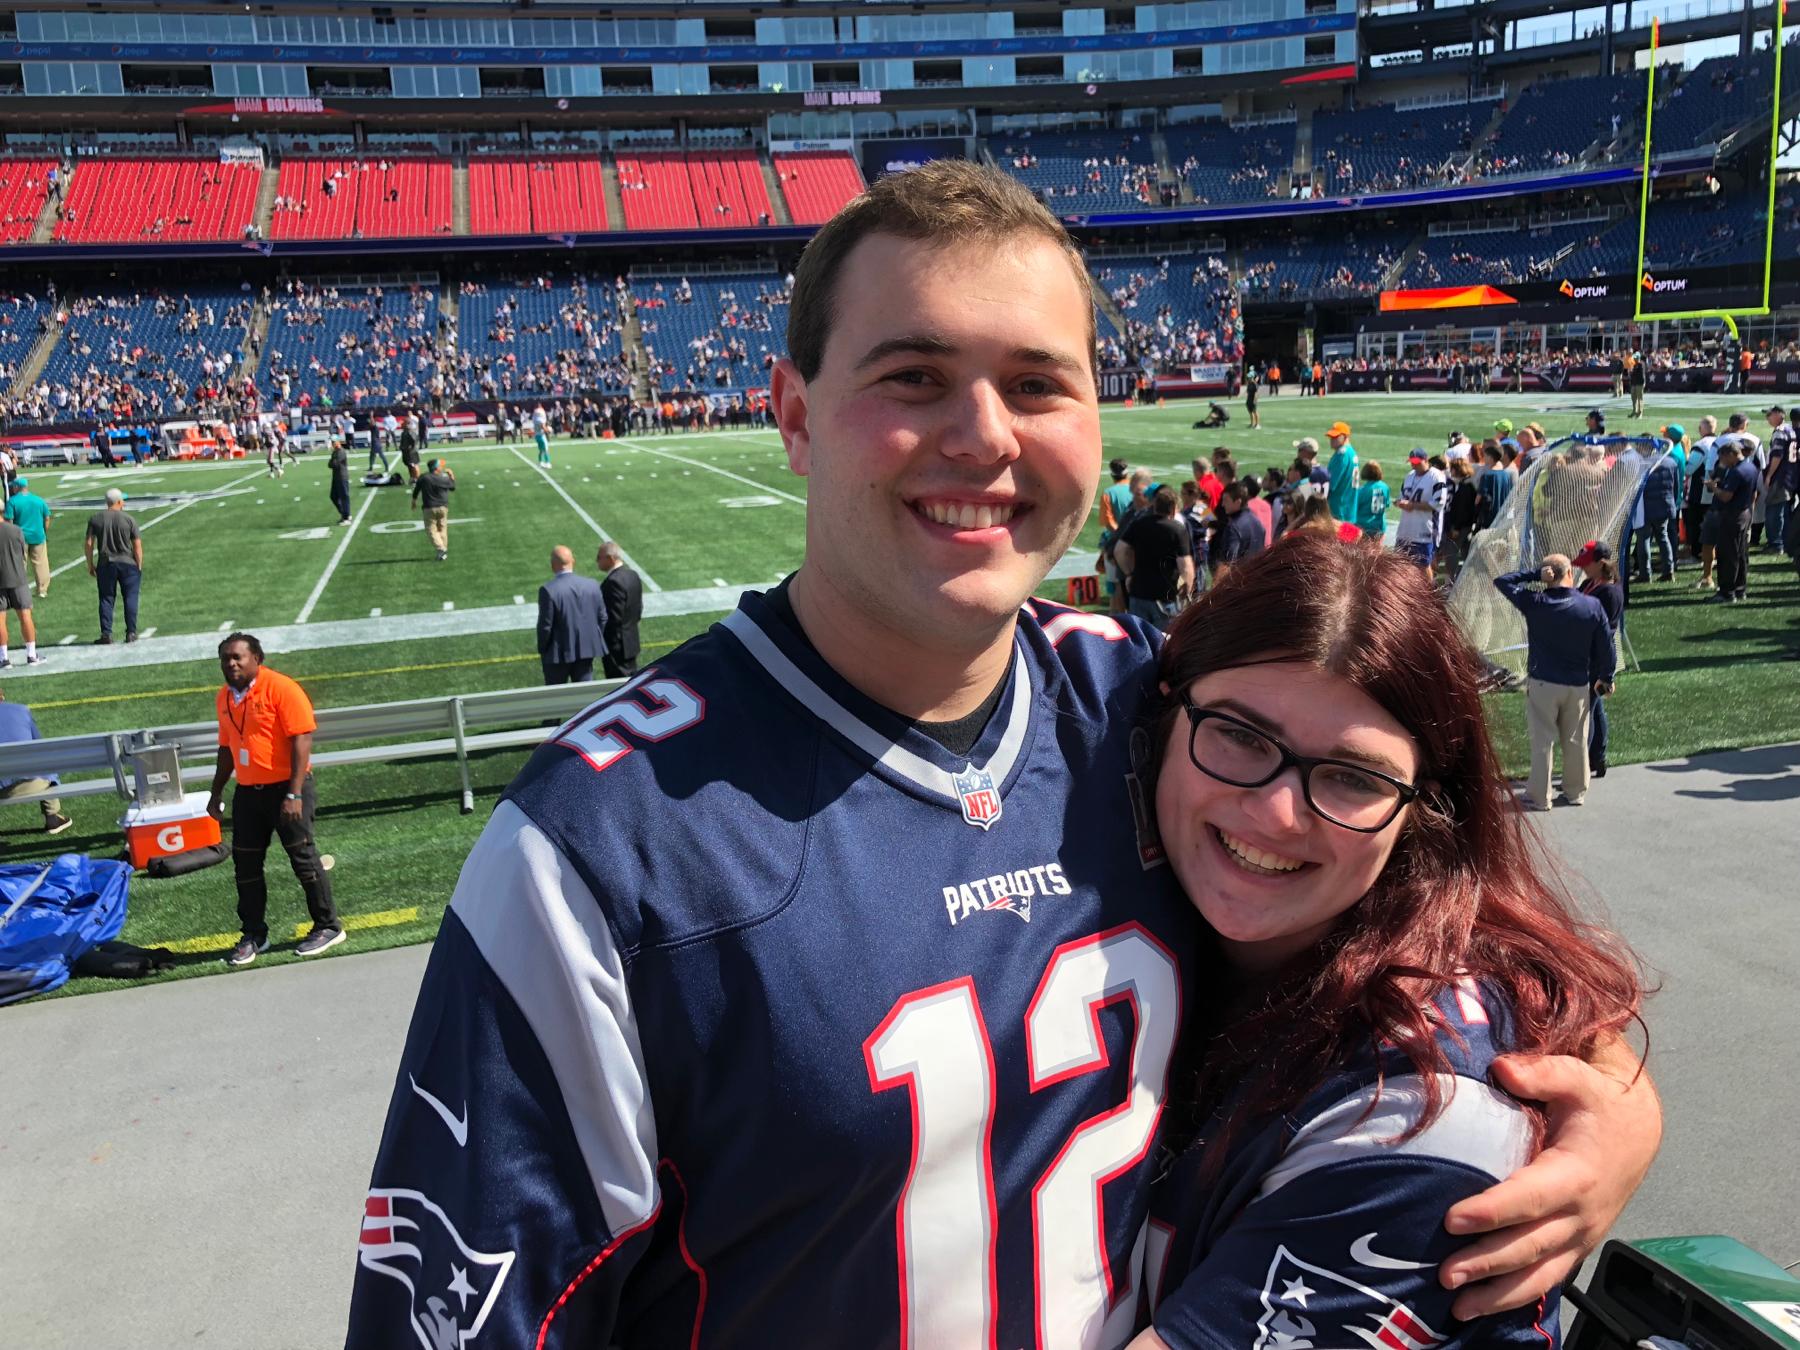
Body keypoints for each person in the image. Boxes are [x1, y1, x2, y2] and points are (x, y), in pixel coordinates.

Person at [347, 159, 1659, 1350]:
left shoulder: (1144, 703)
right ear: (796, 415)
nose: (983, 434)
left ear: (1098, 413)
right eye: (913, 376)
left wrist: (1611, 1099)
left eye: (1037, 383)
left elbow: (1453, 918)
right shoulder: (604, 845)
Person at [1131, 532, 1645, 1350]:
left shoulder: (1418, 1110)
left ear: (1421, 813)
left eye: (1355, 776)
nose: (1274, 812)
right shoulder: (1156, 882)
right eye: (1237, 733)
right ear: (1158, 716)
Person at [207, 633, 342, 967]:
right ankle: (254, 933)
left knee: (304, 860)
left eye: (238, 657)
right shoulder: (225, 697)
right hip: (248, 793)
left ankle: (328, 925)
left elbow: (301, 740)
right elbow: (226, 749)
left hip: (287, 788)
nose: (231, 663)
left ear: (257, 659)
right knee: (246, 866)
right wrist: (216, 792)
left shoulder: (282, 688)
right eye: (226, 658)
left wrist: (294, 793)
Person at [1494, 554, 1615, 810]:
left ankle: (1540, 796)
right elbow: (1606, 646)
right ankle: (1575, 791)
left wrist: (1534, 575)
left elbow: (1502, 581)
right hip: (1578, 684)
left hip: (1543, 684)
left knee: (1542, 741)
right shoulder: (1591, 606)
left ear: (1548, 574)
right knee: (1576, 739)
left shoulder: (1535, 602)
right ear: (1570, 573)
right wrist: (1606, 677)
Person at [1574, 541, 1623, 778]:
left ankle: (1582, 765)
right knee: (1595, 707)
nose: (1583, 569)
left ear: (1600, 563)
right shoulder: (1589, 584)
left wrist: (1607, 673)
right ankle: (1597, 758)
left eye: (1586, 564)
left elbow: (1602, 632)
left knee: (1586, 711)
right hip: (1585, 654)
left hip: (1596, 657)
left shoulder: (1609, 592)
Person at [1116, 485, 1195, 630]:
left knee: (1140, 642)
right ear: (1172, 508)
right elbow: (1185, 565)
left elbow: (1119, 550)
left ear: (1155, 506)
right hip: (1165, 598)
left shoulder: (1138, 524)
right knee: (1164, 644)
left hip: (1139, 592)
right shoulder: (1177, 530)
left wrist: (1129, 573)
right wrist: (1188, 589)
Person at [0, 686, 73, 834]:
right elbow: (40, 747)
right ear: (2, 696)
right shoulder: (21, 711)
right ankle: (52, 817)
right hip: (31, 783)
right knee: (45, 760)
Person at [536, 545, 607, 685]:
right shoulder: (592, 585)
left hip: (557, 655)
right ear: (573, 561)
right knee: (584, 696)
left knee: (555, 698)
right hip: (586, 651)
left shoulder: (548, 590)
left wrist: (542, 649)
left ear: (552, 565)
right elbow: (603, 618)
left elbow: (545, 627)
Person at [83, 488, 142, 645]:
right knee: (130, 597)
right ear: (119, 502)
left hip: (106, 563)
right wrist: (139, 563)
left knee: (106, 599)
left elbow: (89, 543)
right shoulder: (129, 519)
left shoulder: (96, 518)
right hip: (127, 562)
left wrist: (90, 563)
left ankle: (106, 634)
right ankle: (131, 632)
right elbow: (136, 544)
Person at [1706, 437, 1756, 603]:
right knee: (1741, 553)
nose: (1722, 462)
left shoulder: (1736, 472)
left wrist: (1714, 488)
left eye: (1722, 458)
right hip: (1745, 513)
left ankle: (1727, 592)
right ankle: (1740, 589)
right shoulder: (1751, 467)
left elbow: (1726, 497)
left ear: (1731, 455)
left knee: (1728, 555)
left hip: (1732, 516)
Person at [1632, 428, 1682, 582]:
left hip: (1645, 508)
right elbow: (1675, 486)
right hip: (1664, 505)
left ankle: (1645, 573)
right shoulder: (1669, 462)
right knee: (1663, 537)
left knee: (1644, 540)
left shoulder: (1641, 463)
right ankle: (1669, 570)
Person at [1393, 448, 1445, 574]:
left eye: (1416, 462)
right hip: (1405, 529)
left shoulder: (1436, 476)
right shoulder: (1409, 476)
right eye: (1411, 462)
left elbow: (1438, 503)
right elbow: (1402, 496)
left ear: (1426, 460)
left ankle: (1430, 593)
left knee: (1424, 566)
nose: (1413, 464)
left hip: (1424, 529)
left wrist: (1413, 505)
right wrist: (1399, 503)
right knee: (1400, 564)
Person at [597, 539, 643, 679]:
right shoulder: (632, 575)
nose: (597, 561)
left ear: (610, 558)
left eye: (599, 557)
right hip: (631, 642)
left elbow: (613, 619)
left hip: (617, 648)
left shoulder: (612, 582)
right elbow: (638, 609)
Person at [0, 513, 42, 668]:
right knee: (25, 615)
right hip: (17, 577)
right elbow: (22, 552)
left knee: (0, 620)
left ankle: (4, 658)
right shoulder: (16, 530)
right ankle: (31, 654)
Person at [4, 478, 52, 599]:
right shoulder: (38, 500)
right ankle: (42, 590)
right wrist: (43, 531)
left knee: (19, 565)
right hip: (38, 536)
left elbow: (9, 521)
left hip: (20, 538)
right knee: (41, 564)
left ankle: (20, 591)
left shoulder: (12, 502)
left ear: (16, 487)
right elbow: (47, 518)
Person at [1763, 405, 1795, 556]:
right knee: (1785, 511)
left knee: (1774, 511)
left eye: (1769, 415)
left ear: (1778, 414)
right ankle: (1786, 541)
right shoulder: (1791, 429)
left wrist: (1769, 475)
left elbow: (1777, 456)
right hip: (1790, 476)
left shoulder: (1780, 432)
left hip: (1780, 476)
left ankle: (1776, 544)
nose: (1767, 418)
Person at [410, 458, 455, 562]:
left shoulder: (424, 477)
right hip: (443, 507)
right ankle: (443, 551)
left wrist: (414, 500)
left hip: (429, 508)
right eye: (440, 466)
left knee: (431, 529)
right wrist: (451, 475)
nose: (442, 467)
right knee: (442, 529)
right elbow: (452, 487)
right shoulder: (443, 478)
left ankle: (441, 549)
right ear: (436, 468)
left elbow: (417, 489)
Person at [1324, 420, 1357, 522]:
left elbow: (1330, 484)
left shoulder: (1341, 455)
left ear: (1345, 436)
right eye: (1331, 437)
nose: (1332, 440)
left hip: (1338, 509)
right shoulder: (1351, 452)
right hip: (1348, 508)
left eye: (1335, 437)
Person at [1353, 460, 1389, 541]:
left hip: (1364, 527)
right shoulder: (1385, 487)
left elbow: (1354, 508)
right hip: (1380, 526)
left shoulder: (1362, 490)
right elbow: (1386, 504)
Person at [328, 437, 352, 526]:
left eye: (334, 441)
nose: (332, 443)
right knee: (333, 496)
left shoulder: (341, 452)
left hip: (342, 477)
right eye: (332, 442)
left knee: (344, 497)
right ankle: (344, 513)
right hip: (336, 477)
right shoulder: (335, 452)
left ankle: (347, 516)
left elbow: (334, 463)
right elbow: (330, 464)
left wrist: (332, 461)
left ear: (338, 442)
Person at [1244, 363, 1260, 430]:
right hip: (1249, 399)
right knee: (1250, 412)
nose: (1248, 378)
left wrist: (1255, 400)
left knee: (1255, 411)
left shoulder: (1254, 384)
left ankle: (1257, 424)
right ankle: (1252, 423)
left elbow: (1256, 393)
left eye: (1249, 377)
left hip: (1253, 400)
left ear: (1252, 377)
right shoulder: (1249, 384)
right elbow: (1247, 392)